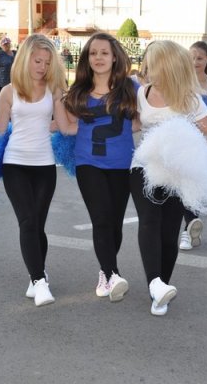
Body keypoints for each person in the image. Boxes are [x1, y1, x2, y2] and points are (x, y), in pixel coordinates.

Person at [0, 34, 67, 307]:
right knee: (27, 222)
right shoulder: (9, 92)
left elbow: (63, 124)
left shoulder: (55, 89)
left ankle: (37, 275)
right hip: (15, 165)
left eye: (47, 62)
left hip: (45, 166)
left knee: (39, 226)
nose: (42, 67)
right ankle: (40, 281)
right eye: (37, 61)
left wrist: (60, 123)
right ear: (24, 59)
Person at [131, 40, 207, 316]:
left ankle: (162, 290)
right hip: (144, 168)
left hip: (178, 173)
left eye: (152, 64)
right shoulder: (142, 93)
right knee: (148, 221)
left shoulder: (190, 99)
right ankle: (155, 284)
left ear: (167, 65)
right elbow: (134, 125)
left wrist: (187, 138)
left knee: (169, 233)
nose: (147, 69)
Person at [55, 33, 139, 302]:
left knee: (114, 224)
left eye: (104, 53)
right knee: (101, 218)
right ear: (87, 58)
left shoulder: (130, 88)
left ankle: (106, 272)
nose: (98, 58)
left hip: (121, 164)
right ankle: (113, 274)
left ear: (114, 57)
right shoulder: (78, 92)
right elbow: (68, 127)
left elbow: (140, 121)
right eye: (93, 53)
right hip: (88, 163)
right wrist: (55, 101)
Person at [178, 41, 207, 251]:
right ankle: (189, 226)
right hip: (181, 139)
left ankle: (189, 229)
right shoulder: (180, 81)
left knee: (193, 184)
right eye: (192, 57)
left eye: (200, 58)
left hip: (204, 141)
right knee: (180, 184)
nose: (195, 62)